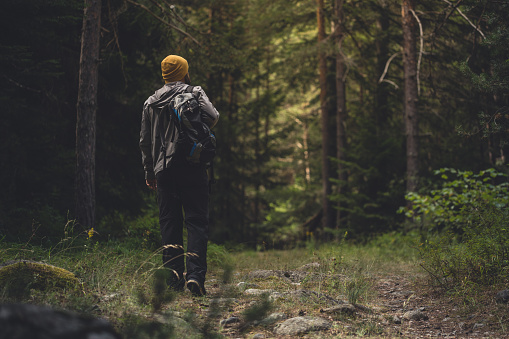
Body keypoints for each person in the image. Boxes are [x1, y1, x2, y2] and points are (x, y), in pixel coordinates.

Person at [139, 55, 219, 296]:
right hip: (192, 165)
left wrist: (149, 171)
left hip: (163, 170)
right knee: (196, 221)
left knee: (169, 223)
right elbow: (213, 117)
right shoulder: (194, 92)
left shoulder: (150, 102)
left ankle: (173, 280)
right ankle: (195, 277)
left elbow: (144, 141)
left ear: (164, 75)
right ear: (184, 72)